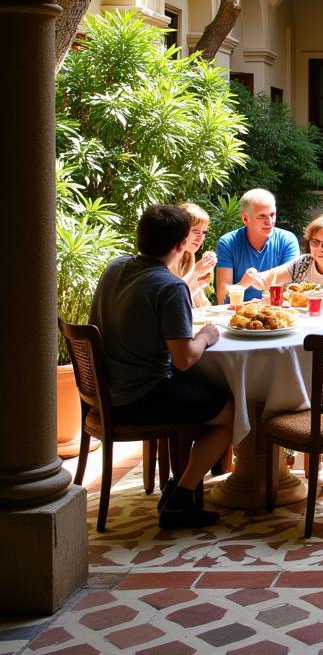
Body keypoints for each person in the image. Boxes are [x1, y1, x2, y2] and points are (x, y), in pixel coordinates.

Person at [89, 205, 234, 530]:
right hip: (141, 397)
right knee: (232, 413)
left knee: (208, 395)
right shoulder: (169, 287)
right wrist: (206, 337)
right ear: (181, 245)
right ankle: (181, 498)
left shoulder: (116, 268)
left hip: (107, 392)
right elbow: (184, 358)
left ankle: (179, 484)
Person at [245, 213, 323, 332]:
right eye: (315, 242)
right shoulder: (303, 264)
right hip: (306, 336)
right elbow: (264, 280)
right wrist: (253, 275)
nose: (319, 249)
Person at [215, 188, 299, 302]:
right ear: (245, 219)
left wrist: (258, 278)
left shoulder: (287, 240)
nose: (269, 221)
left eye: (272, 214)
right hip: (237, 312)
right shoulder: (228, 242)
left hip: (276, 311)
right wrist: (245, 283)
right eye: (262, 216)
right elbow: (222, 297)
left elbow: (290, 291)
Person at [172, 202, 216, 308]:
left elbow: (195, 303)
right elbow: (172, 298)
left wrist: (201, 282)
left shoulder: (188, 256)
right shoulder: (166, 257)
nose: (200, 237)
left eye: (204, 232)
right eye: (196, 230)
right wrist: (195, 273)